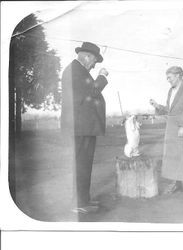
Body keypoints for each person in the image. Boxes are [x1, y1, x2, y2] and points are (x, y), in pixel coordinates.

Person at [61, 42, 109, 218]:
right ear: (87, 56)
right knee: (82, 165)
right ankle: (79, 204)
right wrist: (102, 77)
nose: (95, 65)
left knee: (83, 165)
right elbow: (92, 92)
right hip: (80, 128)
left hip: (82, 127)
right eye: (95, 61)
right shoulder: (76, 71)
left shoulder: (77, 71)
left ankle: (83, 201)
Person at [150, 66, 183, 195]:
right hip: (172, 127)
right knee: (174, 156)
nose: (168, 80)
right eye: (167, 77)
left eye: (169, 77)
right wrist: (157, 106)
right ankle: (177, 184)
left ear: (178, 75)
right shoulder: (171, 91)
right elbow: (169, 109)